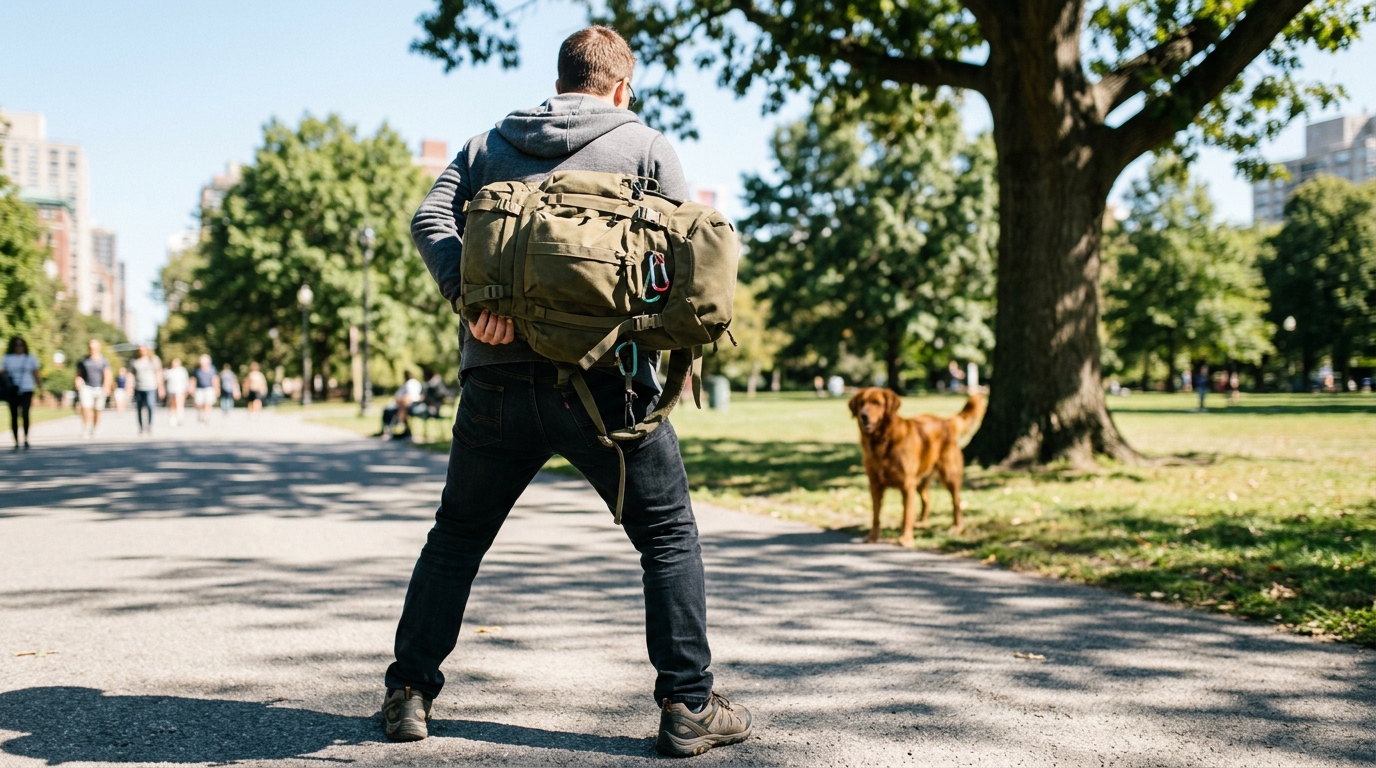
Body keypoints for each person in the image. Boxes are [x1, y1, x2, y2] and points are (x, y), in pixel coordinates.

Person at [382, 27, 751, 756]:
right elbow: (683, 259)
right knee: (667, 537)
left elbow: (429, 217)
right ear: (621, 88)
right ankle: (687, 706)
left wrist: (468, 298)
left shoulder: (487, 146)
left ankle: (409, 694)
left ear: (558, 83)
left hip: (495, 377)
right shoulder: (645, 146)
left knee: (456, 538)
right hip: (610, 386)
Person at [2, 337, 42, 450]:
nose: (19, 348)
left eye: (21, 345)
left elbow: (36, 374)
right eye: (16, 345)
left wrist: (40, 388)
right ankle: (16, 440)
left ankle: (25, 438)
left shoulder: (30, 358)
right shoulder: (7, 358)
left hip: (26, 388)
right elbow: (2, 373)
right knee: (13, 415)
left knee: (25, 414)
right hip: (12, 390)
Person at [75, 340, 113, 438]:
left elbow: (107, 374)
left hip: (100, 388)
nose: (93, 349)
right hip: (86, 387)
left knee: (98, 409)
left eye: (94, 348)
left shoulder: (103, 361)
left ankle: (94, 428)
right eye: (91, 348)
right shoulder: (83, 361)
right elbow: (79, 374)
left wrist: (107, 386)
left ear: (99, 348)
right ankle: (86, 428)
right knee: (86, 407)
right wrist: (78, 380)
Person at [130, 345, 164, 435]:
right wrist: (129, 387)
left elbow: (158, 373)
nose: (142, 352)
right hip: (139, 387)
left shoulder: (153, 360)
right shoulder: (134, 361)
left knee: (150, 405)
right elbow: (131, 375)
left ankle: (149, 425)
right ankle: (141, 426)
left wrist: (161, 387)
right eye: (140, 350)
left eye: (144, 350)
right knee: (139, 407)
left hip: (151, 387)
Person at [380, 370, 424, 439]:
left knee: (392, 411)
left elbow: (409, 396)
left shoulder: (411, 383)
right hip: (403, 403)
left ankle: (389, 431)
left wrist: (401, 400)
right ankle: (389, 430)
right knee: (388, 410)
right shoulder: (410, 384)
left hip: (408, 404)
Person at [192, 355, 218, 423]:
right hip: (199, 388)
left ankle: (206, 416)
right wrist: (192, 388)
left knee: (208, 402)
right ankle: (200, 412)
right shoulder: (197, 369)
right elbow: (193, 379)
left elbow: (215, 379)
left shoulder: (212, 369)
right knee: (198, 403)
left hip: (209, 388)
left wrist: (217, 389)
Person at [165, 358, 190, 426]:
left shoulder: (182, 370)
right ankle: (172, 418)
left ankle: (179, 418)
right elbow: (165, 378)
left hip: (180, 390)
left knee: (179, 404)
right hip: (171, 390)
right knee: (172, 405)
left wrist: (186, 389)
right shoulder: (169, 371)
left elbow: (185, 380)